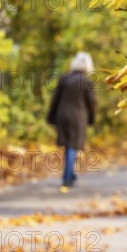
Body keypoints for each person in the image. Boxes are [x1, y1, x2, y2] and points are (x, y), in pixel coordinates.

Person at [47, 52, 96, 192]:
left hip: (62, 115)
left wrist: (51, 117)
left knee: (68, 147)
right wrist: (91, 119)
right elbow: (91, 103)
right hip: (78, 118)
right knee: (72, 147)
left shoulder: (64, 78)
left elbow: (55, 99)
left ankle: (70, 174)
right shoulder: (87, 82)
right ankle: (67, 178)